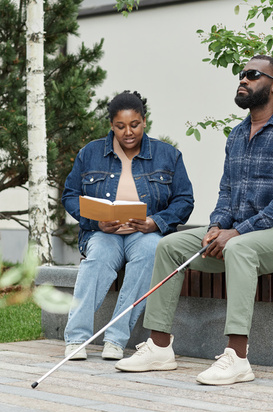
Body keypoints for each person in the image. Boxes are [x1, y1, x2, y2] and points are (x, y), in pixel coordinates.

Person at [115, 55, 273, 385]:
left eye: (253, 75)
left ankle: (237, 357)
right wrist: (215, 228)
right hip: (239, 234)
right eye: (242, 74)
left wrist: (236, 232)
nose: (243, 80)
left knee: (239, 249)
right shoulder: (237, 136)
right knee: (169, 246)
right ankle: (159, 347)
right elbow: (226, 193)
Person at [61, 90, 194, 361]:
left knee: (151, 254)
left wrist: (155, 222)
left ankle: (115, 339)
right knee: (97, 259)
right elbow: (70, 195)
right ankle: (76, 338)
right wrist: (95, 221)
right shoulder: (91, 153)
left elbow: (184, 200)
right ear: (111, 125)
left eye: (134, 124)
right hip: (103, 232)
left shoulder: (168, 155)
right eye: (120, 126)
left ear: (144, 121)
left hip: (144, 233)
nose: (128, 132)